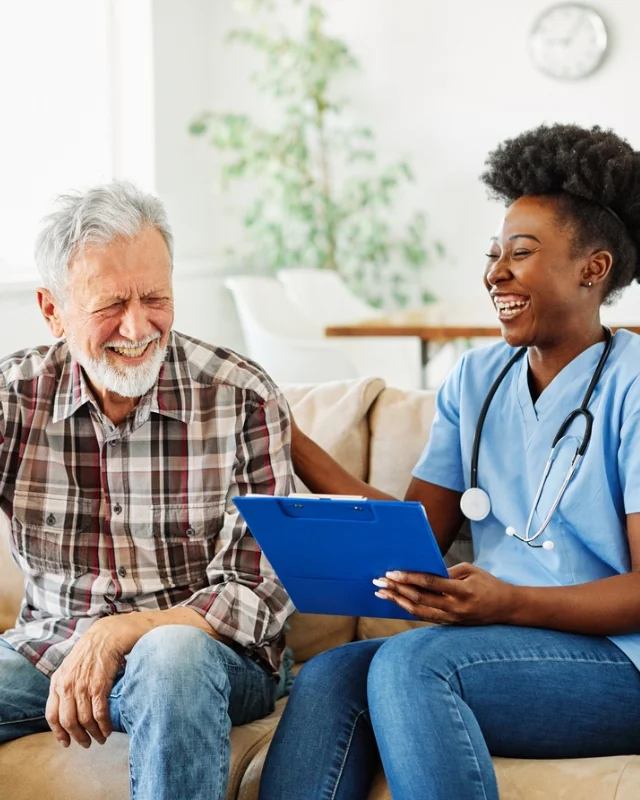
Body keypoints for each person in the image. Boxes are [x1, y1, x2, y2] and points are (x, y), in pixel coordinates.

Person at [258, 123, 640, 800]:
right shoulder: (477, 379)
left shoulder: (632, 388)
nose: (496, 272)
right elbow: (411, 534)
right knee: (327, 677)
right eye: (494, 254)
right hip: (498, 645)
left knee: (412, 665)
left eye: (520, 253)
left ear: (594, 268)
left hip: (619, 664)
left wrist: (511, 600)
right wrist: (285, 433)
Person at [0, 182, 294, 800]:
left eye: (156, 297)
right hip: (51, 645)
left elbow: (261, 589)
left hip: (208, 655)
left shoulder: (240, 396)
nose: (138, 326)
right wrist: (89, 638)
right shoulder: (12, 397)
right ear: (52, 310)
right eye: (110, 304)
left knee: (170, 657)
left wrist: (122, 631)